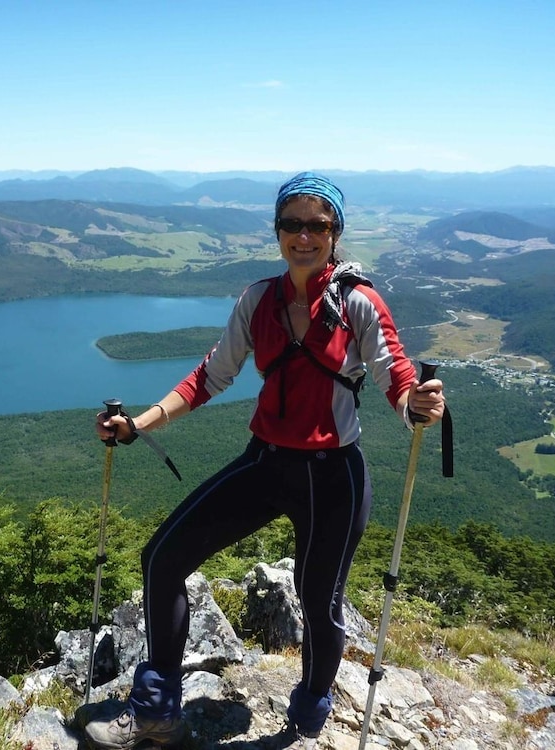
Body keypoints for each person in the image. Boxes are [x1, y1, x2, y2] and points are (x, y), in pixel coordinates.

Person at [85, 172, 446, 750]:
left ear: (335, 232)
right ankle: (156, 711)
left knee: (319, 602)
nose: (304, 236)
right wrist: (138, 425)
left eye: (317, 225)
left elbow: (395, 374)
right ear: (277, 231)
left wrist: (416, 405)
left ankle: (307, 718)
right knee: (163, 557)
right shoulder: (259, 300)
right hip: (267, 462)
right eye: (291, 224)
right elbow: (209, 377)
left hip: (334, 476)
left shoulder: (357, 303)